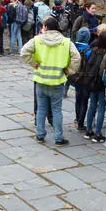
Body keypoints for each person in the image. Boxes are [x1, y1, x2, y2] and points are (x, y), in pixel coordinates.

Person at [21, 16, 81, 146]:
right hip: (57, 81)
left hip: (41, 80)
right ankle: (59, 138)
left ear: (46, 27)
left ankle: (40, 135)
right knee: (56, 110)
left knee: (41, 109)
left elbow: (24, 52)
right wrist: (69, 71)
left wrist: (34, 64)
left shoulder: (37, 40)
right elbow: (77, 58)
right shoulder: (66, 42)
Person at [83, 25, 106, 143]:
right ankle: (98, 133)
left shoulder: (93, 50)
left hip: (92, 81)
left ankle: (89, 130)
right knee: (101, 107)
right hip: (102, 82)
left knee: (92, 105)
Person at [72, 28, 92, 132]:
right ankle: (81, 122)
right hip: (85, 78)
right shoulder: (89, 50)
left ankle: (77, 117)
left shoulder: (73, 47)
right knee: (84, 100)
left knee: (77, 98)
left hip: (75, 77)